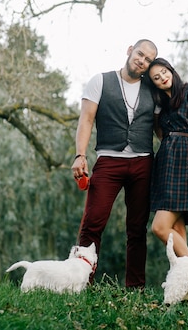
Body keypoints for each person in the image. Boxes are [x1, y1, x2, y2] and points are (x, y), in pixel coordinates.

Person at [71, 39, 158, 289]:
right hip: (108, 162)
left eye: (148, 60)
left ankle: (135, 288)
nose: (142, 61)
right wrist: (80, 155)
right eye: (140, 54)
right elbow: (86, 120)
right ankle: (81, 284)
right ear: (130, 51)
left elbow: (161, 129)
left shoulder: (152, 90)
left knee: (137, 229)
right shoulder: (100, 80)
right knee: (92, 223)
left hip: (143, 164)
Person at [147, 57, 188, 257]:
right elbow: (159, 132)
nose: (162, 78)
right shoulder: (164, 105)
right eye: (156, 78)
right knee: (177, 229)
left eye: (164, 72)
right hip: (165, 163)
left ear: (171, 70)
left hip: (185, 163)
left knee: (160, 227)